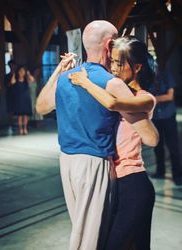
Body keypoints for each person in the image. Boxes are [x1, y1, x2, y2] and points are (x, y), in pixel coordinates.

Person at [36, 21, 157, 250]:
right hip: (94, 163)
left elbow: (41, 107)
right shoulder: (111, 82)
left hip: (67, 164)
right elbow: (150, 137)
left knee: (84, 231)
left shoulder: (67, 77)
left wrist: (60, 71)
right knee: (90, 239)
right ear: (110, 44)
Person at [69, 36, 158, 250]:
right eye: (112, 62)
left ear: (137, 67)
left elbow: (113, 103)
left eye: (119, 63)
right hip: (113, 183)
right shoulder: (113, 87)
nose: (114, 68)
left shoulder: (145, 99)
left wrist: (85, 81)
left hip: (134, 184)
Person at [149, 65, 182, 186]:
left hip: (168, 115)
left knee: (173, 146)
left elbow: (170, 96)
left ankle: (178, 175)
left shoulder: (166, 74)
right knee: (157, 146)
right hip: (156, 116)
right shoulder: (147, 78)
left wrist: (152, 98)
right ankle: (160, 171)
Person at [10, 65, 34, 135]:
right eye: (20, 71)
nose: (22, 72)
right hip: (18, 98)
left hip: (26, 98)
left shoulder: (26, 79)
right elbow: (12, 82)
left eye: (23, 71)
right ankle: (20, 129)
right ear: (18, 72)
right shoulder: (16, 79)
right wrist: (14, 74)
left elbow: (32, 80)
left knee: (25, 115)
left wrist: (28, 74)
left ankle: (25, 129)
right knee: (20, 115)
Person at [5, 59, 17, 135]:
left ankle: (19, 125)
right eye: (11, 65)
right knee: (10, 111)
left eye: (13, 65)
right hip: (10, 95)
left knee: (19, 110)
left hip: (18, 95)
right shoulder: (7, 76)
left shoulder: (19, 74)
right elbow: (7, 85)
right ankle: (11, 125)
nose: (12, 67)